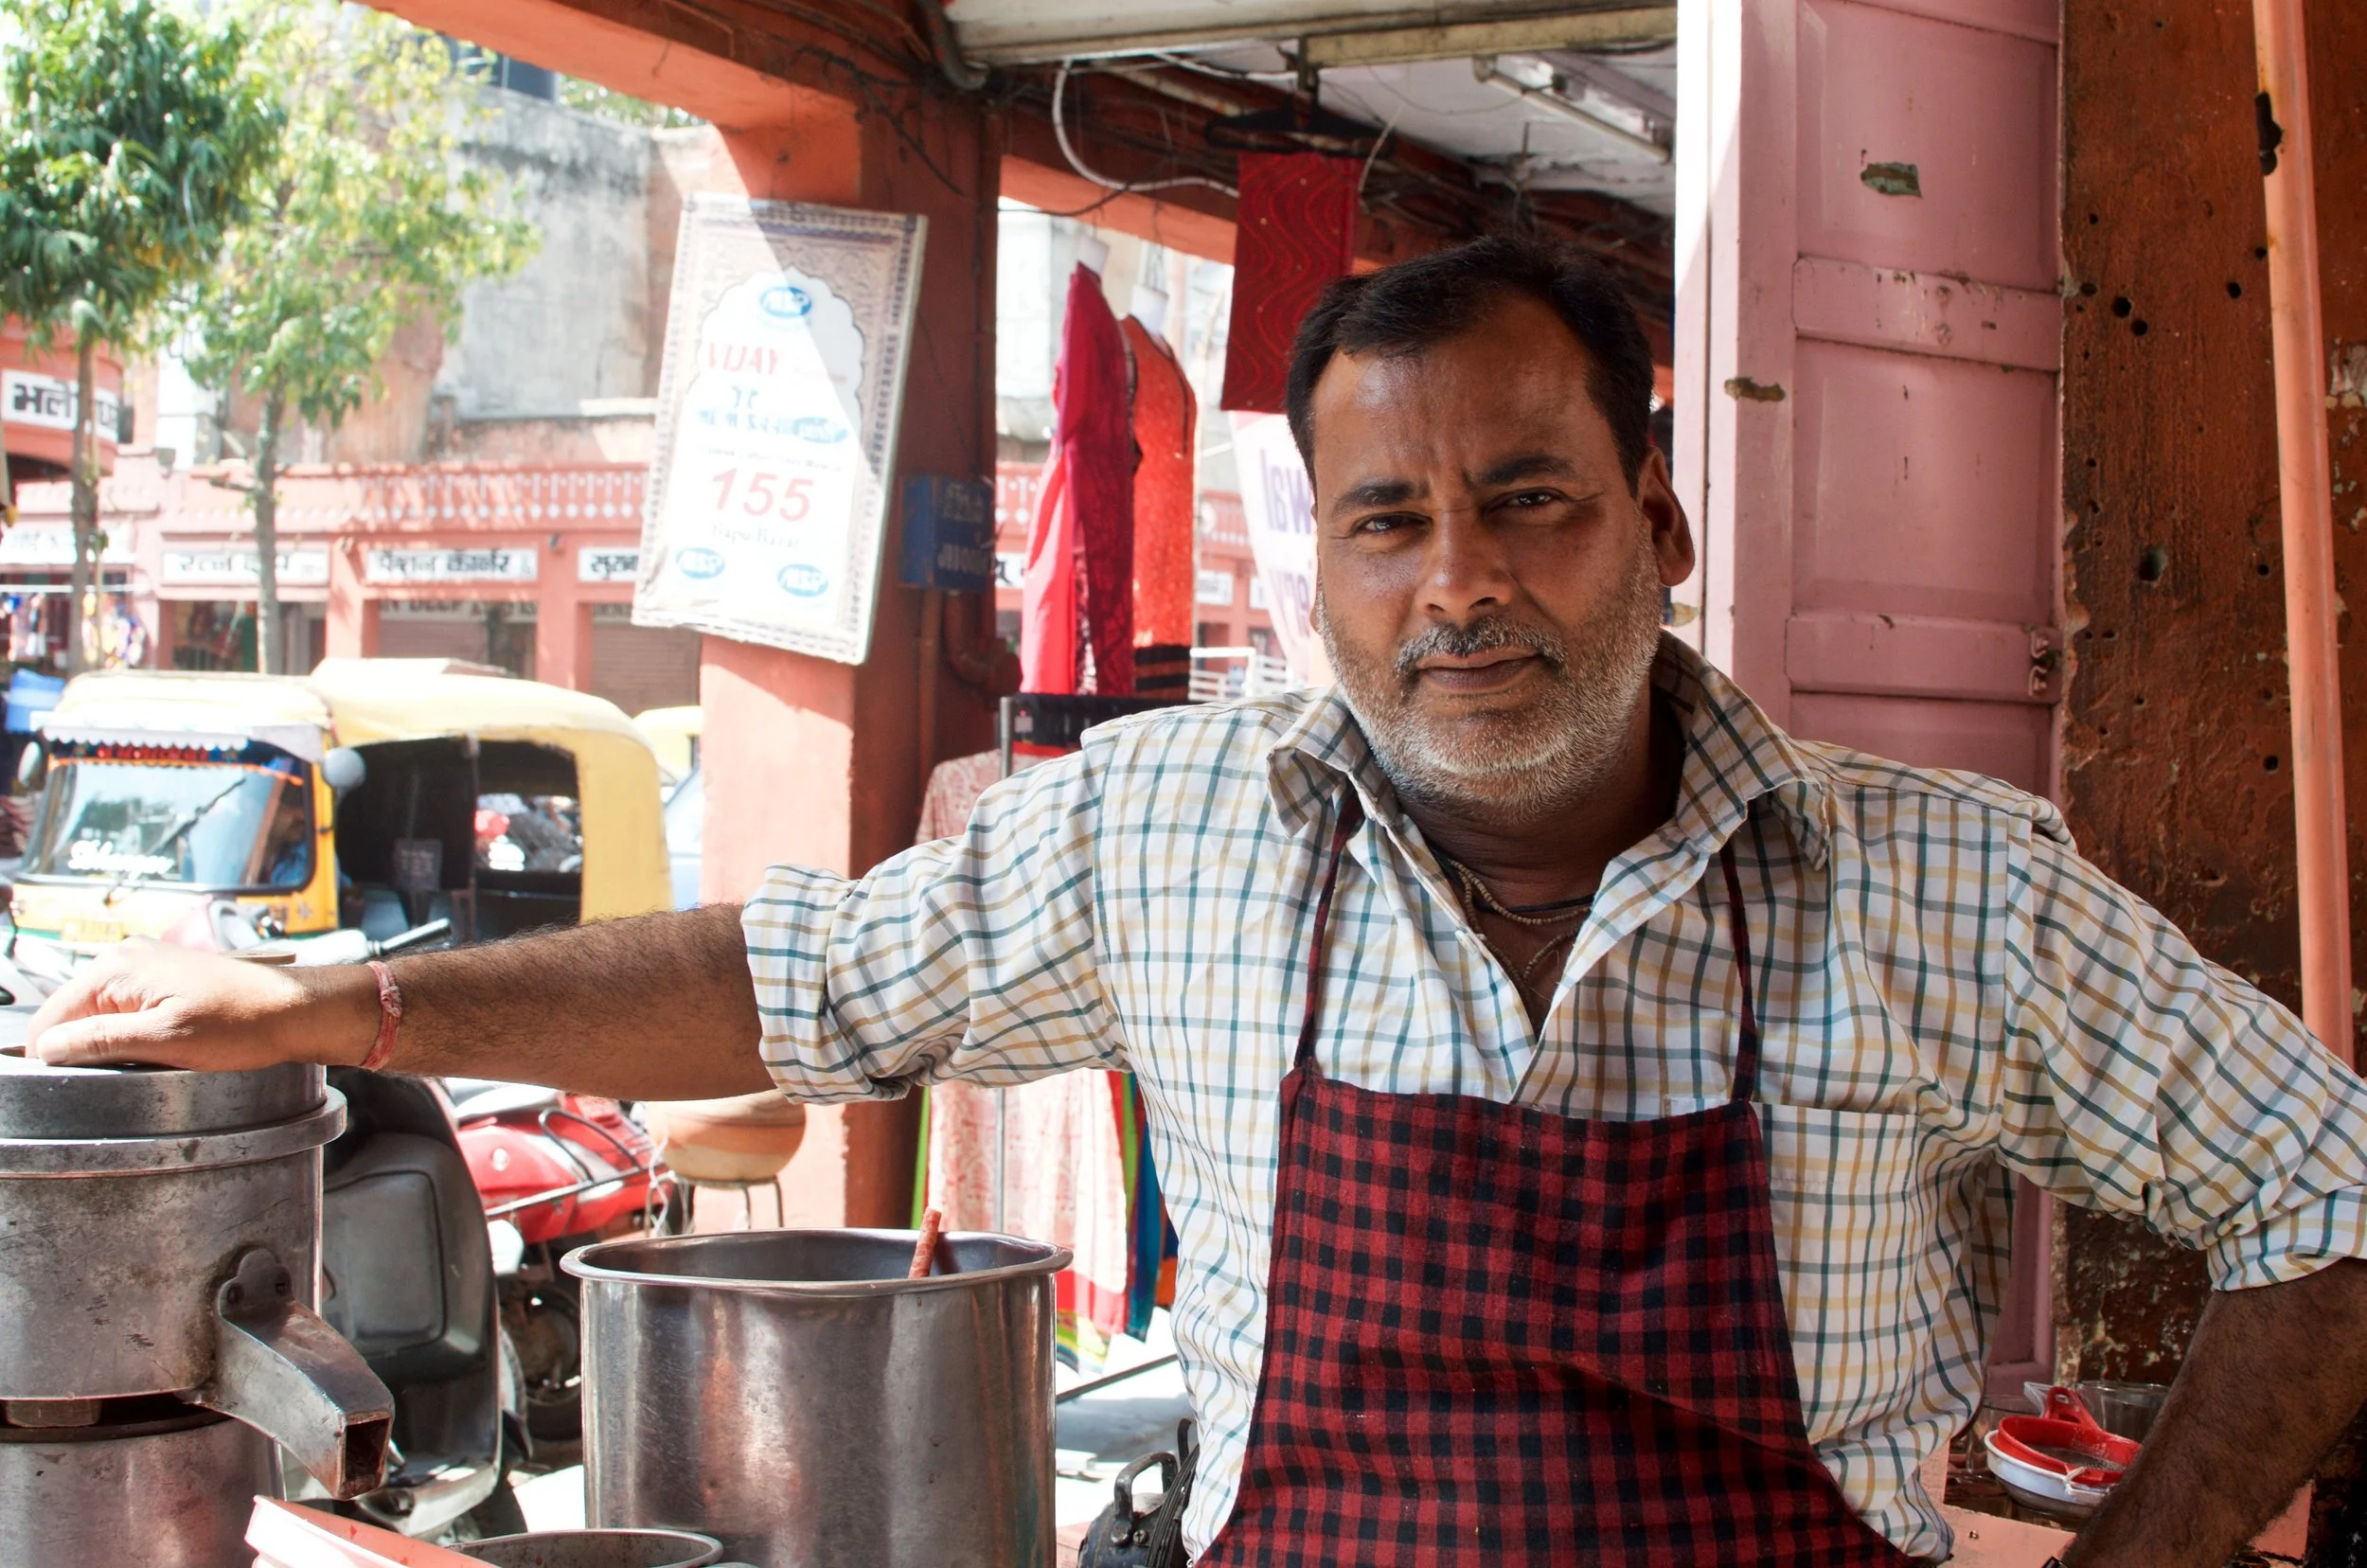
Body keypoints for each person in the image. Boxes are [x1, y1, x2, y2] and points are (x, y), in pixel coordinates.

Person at [28, 237, 2367, 1567]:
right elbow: (791, 973)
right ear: (1321, 572)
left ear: (1658, 528)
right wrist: (341, 1003)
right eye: (1387, 523)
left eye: (1531, 500)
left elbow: (2323, 1191)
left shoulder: (1931, 882)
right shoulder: (1170, 831)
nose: (1459, 585)